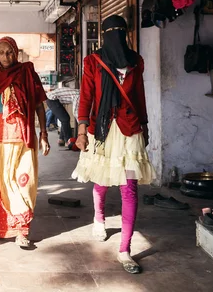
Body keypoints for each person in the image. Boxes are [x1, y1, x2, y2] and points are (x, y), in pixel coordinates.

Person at [72, 15, 155, 274]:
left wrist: (145, 125)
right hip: (103, 129)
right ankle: (99, 218)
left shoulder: (136, 62)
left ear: (126, 34)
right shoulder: (93, 61)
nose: (116, 37)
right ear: (104, 36)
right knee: (102, 180)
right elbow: (86, 97)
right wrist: (82, 130)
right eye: (111, 32)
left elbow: (139, 95)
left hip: (130, 130)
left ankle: (125, 250)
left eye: (120, 32)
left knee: (129, 188)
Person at [0, 37, 50, 249]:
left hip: (24, 134)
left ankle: (23, 229)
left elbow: (40, 105)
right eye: (2, 52)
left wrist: (44, 134)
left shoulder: (26, 72)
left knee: (25, 179)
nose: (6, 57)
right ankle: (8, 226)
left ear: (16, 53)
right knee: (2, 181)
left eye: (10, 52)